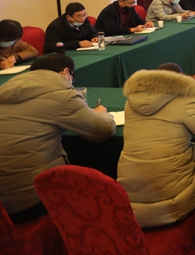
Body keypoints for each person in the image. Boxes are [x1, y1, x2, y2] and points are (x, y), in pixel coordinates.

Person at [0, 54, 115, 221]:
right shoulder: (62, 95)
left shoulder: (5, 89)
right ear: (66, 72)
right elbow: (103, 131)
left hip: (4, 202)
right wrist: (102, 114)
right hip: (31, 197)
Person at [117, 65, 195, 227]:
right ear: (182, 81)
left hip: (130, 196)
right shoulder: (187, 100)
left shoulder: (131, 103)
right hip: (175, 199)